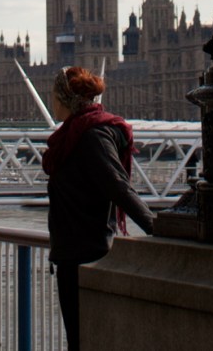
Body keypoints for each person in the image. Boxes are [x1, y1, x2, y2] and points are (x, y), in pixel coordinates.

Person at [42, 66, 154, 351]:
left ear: (65, 99)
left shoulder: (91, 135)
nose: (50, 101)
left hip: (88, 256)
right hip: (71, 255)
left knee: (85, 341)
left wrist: (156, 227)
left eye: (53, 95)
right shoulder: (72, 135)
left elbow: (117, 186)